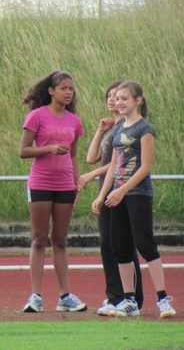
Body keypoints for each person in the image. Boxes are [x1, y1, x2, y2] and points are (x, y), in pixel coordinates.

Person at [92, 81, 176, 319]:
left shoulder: (144, 129)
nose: (119, 102)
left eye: (124, 98)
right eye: (117, 98)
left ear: (137, 100)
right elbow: (113, 166)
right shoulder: (118, 128)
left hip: (137, 194)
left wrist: (123, 190)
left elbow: (145, 167)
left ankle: (162, 299)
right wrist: (103, 195)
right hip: (117, 195)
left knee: (145, 245)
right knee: (120, 247)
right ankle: (129, 300)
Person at [19, 70, 86, 313]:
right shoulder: (37, 116)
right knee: (39, 239)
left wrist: (77, 182)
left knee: (60, 239)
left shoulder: (74, 121)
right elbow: (23, 150)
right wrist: (48, 149)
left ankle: (65, 296)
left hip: (65, 184)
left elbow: (73, 155)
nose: (68, 92)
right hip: (40, 183)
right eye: (63, 88)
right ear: (51, 91)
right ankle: (35, 296)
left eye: (71, 88)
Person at [78, 81, 144, 315]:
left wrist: (92, 175)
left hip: (120, 191)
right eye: (110, 96)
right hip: (106, 191)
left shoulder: (129, 129)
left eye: (118, 96)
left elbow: (120, 164)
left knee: (121, 244)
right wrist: (100, 130)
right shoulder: (113, 129)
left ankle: (127, 297)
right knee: (109, 244)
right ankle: (118, 296)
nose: (113, 100)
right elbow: (91, 158)